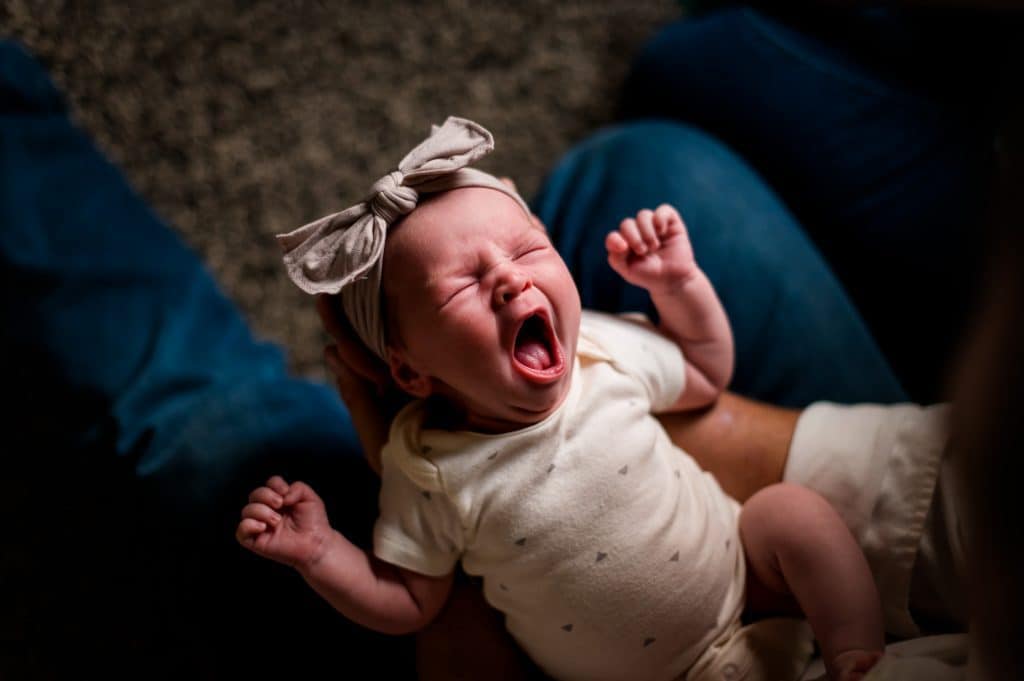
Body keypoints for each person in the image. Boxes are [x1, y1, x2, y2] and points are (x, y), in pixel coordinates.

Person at [236, 117, 884, 681]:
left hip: (750, 582)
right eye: (461, 286)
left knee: (791, 514)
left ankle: (856, 648)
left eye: (526, 248)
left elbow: (706, 372)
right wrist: (322, 553)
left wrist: (679, 286)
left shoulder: (601, 350)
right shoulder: (427, 465)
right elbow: (409, 598)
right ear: (409, 372)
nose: (508, 278)